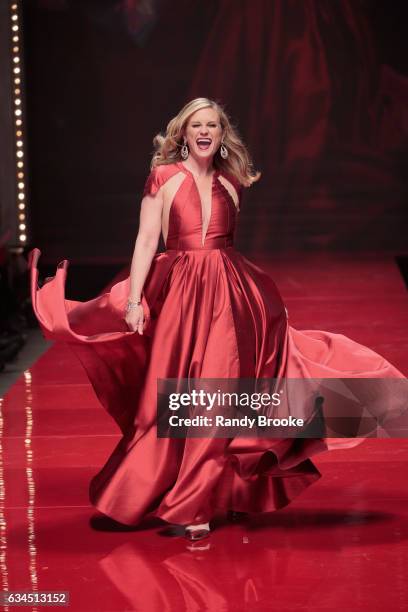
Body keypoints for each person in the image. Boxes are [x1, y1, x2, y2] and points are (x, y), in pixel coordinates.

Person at [29, 97, 407, 541]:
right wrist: (134, 300)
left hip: (231, 295)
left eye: (213, 125)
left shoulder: (232, 181)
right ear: (183, 133)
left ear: (222, 133)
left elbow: (224, 245)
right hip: (181, 298)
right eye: (196, 125)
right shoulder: (163, 178)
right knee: (176, 398)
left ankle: (198, 502)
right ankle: (186, 489)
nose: (205, 131)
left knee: (224, 393)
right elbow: (147, 240)